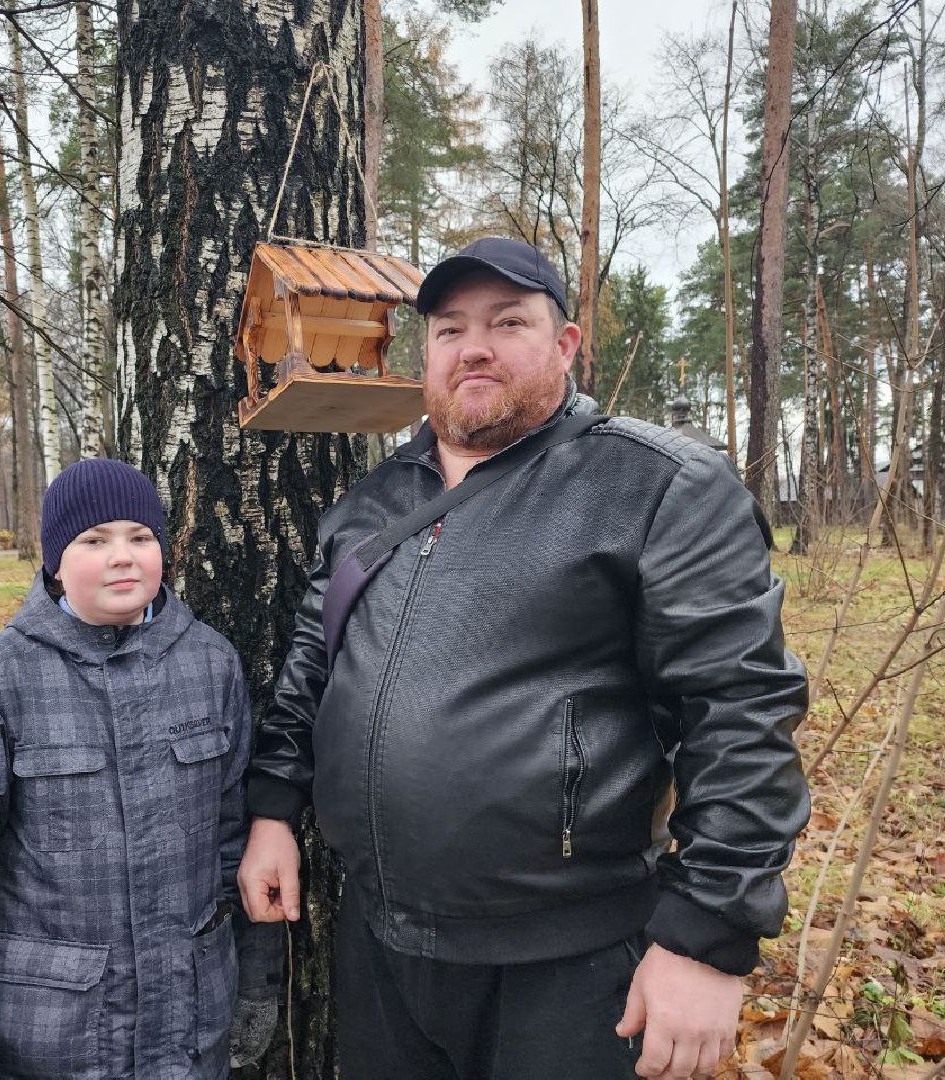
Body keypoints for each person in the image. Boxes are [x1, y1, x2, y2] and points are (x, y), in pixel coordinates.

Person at [238, 237, 810, 1080]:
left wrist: (707, 936)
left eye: (509, 322)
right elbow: (308, 673)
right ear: (425, 354)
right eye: (449, 329)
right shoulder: (371, 506)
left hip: (568, 963)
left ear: (566, 344)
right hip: (380, 944)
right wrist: (274, 809)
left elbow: (741, 714)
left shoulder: (656, 487)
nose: (474, 346)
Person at [0, 458, 275, 1079]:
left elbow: (238, 849)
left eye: (141, 536)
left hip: (190, 1036)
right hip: (57, 1044)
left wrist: (257, 987)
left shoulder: (211, 664)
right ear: (54, 559)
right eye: (94, 540)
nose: (123, 556)